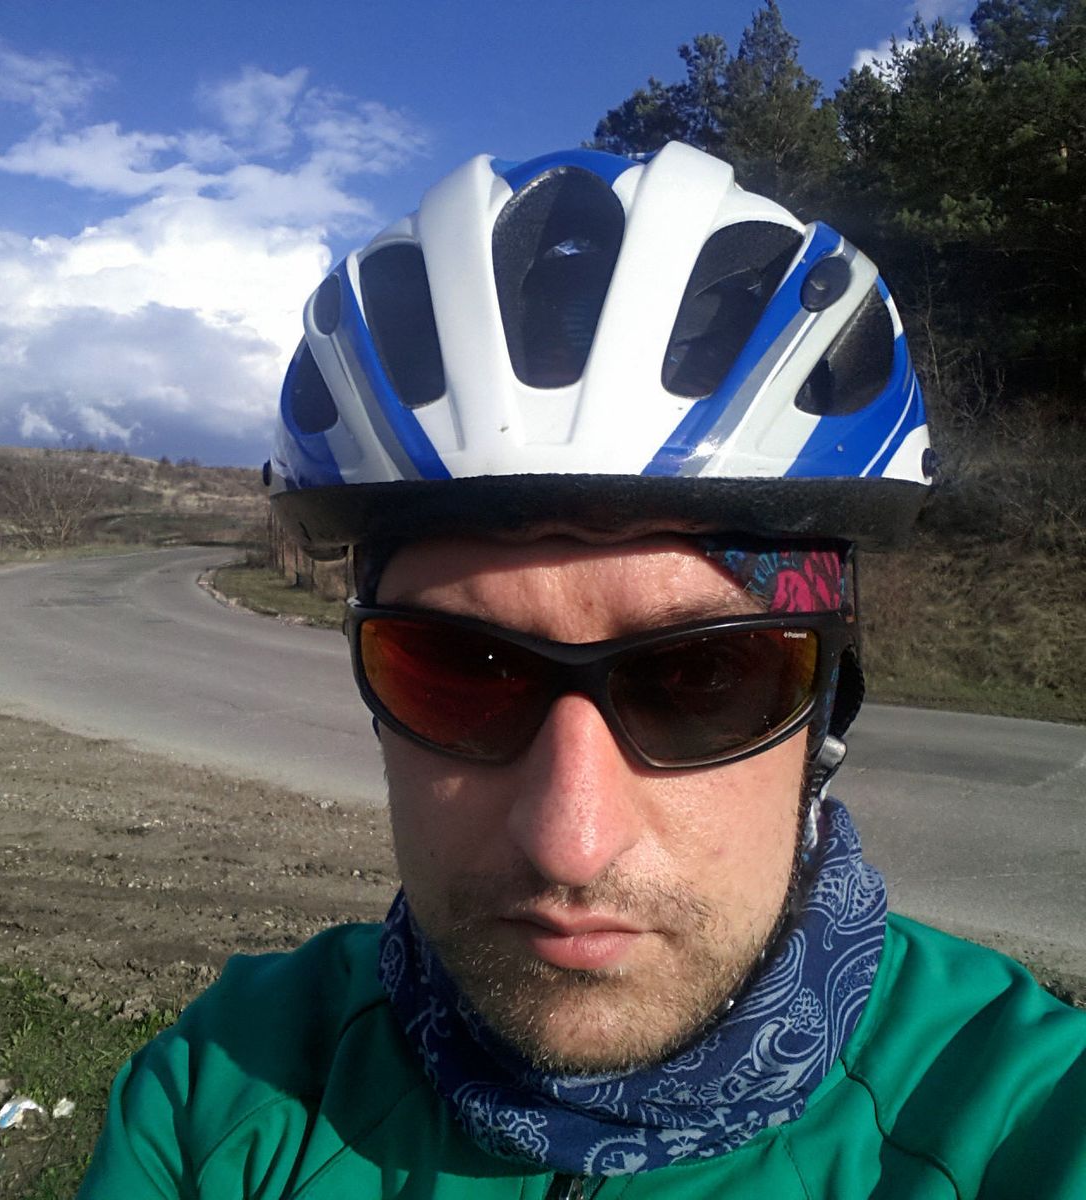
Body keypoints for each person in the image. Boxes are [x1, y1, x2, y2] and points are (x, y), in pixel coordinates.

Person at [78, 143, 1086, 1198]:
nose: (571, 840)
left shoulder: (1021, 1117)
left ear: (828, 709)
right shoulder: (224, 1089)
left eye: (704, 679)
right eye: (461, 669)